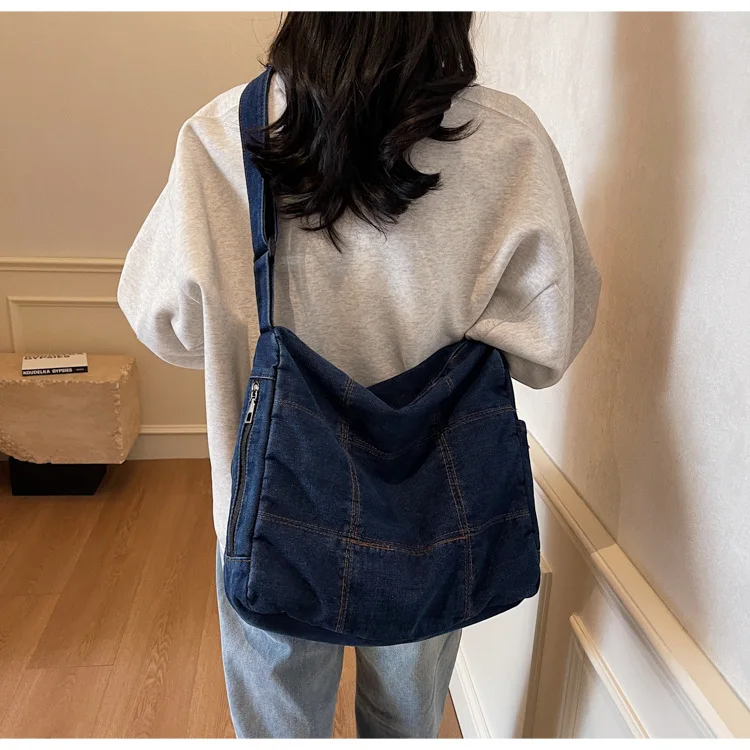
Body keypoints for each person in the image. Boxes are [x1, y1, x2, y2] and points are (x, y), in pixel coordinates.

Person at [117, 11, 601, 739]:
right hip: (428, 520)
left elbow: (163, 323)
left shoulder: (221, 136)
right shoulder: (508, 142)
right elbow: (549, 345)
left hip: (265, 515)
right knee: (406, 717)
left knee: (280, 721)